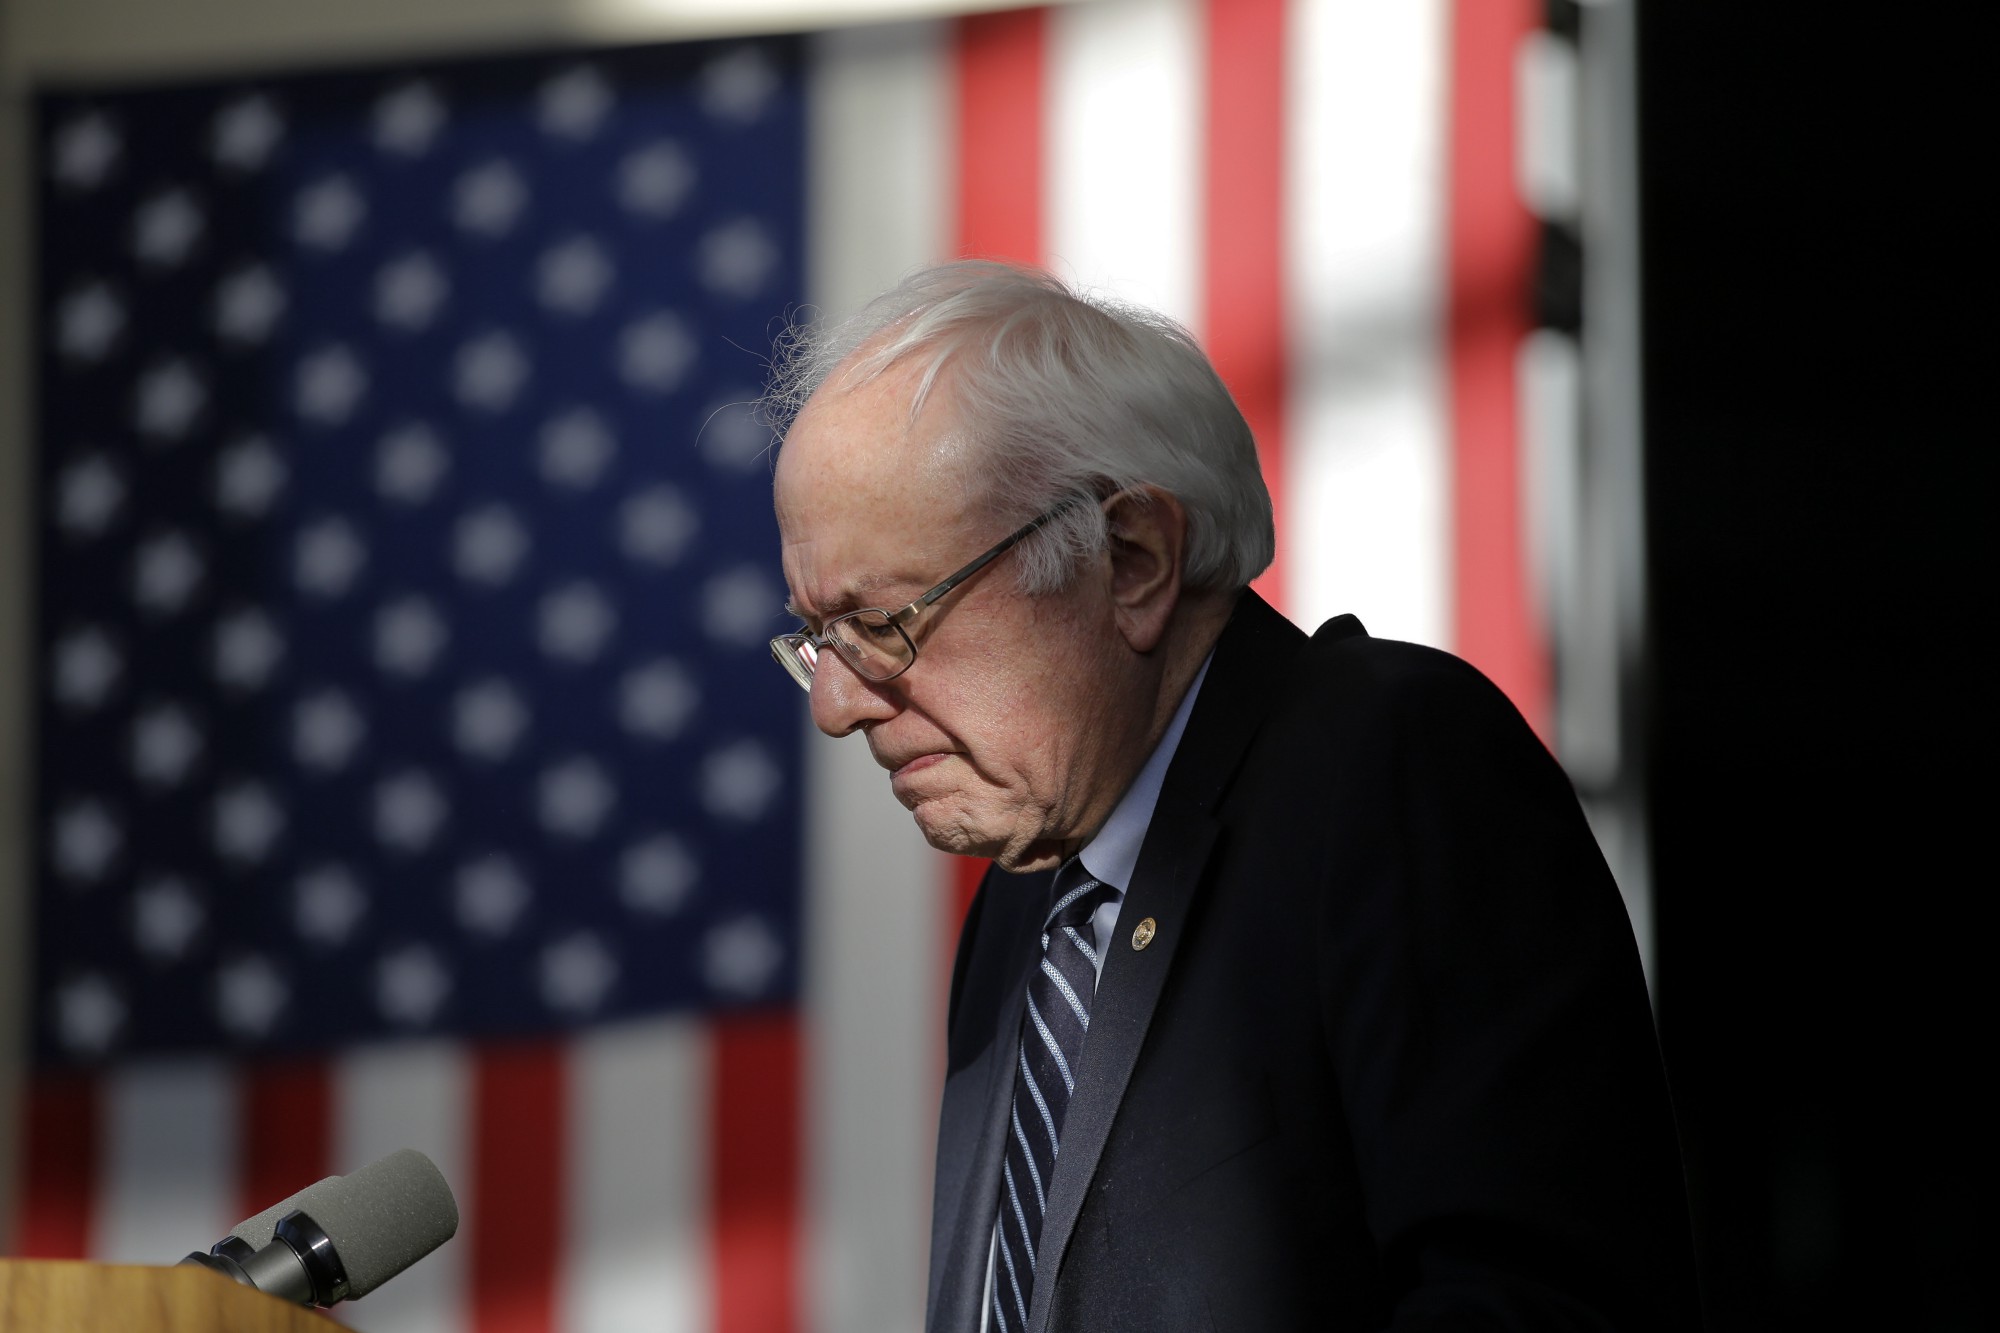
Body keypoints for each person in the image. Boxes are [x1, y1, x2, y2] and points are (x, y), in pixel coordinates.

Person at [764, 262, 1700, 1333]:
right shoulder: (1022, 908)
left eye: (880, 624)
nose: (835, 706)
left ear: (1132, 561)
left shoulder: (1389, 766)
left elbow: (1536, 1301)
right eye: (816, 641)